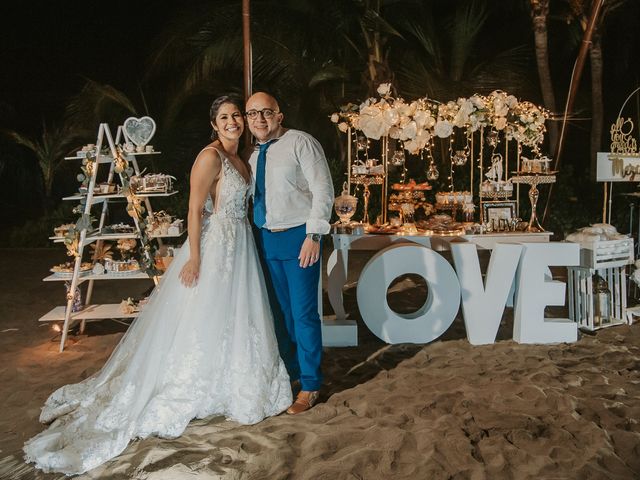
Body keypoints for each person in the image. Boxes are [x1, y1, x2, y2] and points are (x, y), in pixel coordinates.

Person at [23, 95, 292, 475]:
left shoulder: (243, 158)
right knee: (204, 315)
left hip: (242, 246)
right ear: (213, 124)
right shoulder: (210, 157)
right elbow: (194, 210)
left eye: (236, 115)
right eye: (224, 117)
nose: (232, 121)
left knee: (237, 315)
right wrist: (195, 257)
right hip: (215, 248)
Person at [246, 92, 334, 415]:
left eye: (266, 112)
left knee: (303, 313)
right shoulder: (254, 156)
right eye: (252, 113)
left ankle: (311, 385)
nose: (259, 119)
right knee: (281, 314)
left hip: (300, 236)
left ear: (279, 115)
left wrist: (314, 235)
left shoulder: (301, 143)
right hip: (266, 239)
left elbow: (323, 189)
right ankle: (294, 374)